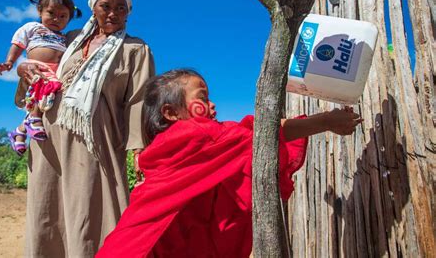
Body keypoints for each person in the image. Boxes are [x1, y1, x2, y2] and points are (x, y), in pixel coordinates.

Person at [96, 69, 363, 257]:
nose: (212, 106)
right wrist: (326, 122)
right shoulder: (193, 135)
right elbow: (260, 133)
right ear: (170, 113)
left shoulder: (184, 151)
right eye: (201, 98)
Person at [16, 0, 155, 257]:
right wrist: (23, 70)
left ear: (129, 11)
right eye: (105, 6)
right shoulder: (68, 40)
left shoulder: (136, 49)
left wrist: (139, 148)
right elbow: (39, 66)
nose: (113, 13)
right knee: (48, 206)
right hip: (48, 137)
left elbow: (139, 100)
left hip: (96, 142)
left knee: (89, 211)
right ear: (93, 7)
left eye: (121, 8)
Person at [0, 0, 82, 156]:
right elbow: (18, 44)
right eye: (51, 13)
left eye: (63, 16)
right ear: (39, 11)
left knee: (48, 100)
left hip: (54, 72)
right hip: (35, 67)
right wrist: (9, 63)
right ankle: (34, 120)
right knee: (43, 90)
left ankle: (19, 131)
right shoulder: (33, 27)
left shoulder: (64, 38)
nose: (56, 19)